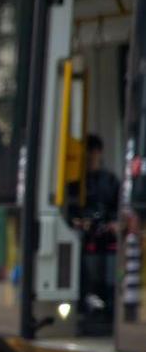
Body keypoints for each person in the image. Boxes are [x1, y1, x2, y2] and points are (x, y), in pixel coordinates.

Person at [67, 134, 120, 316]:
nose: (90, 158)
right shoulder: (75, 183)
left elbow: (117, 208)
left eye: (93, 153)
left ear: (99, 153)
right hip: (85, 237)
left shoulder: (110, 180)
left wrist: (113, 223)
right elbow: (70, 211)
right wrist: (78, 221)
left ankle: (108, 299)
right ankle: (87, 298)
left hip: (106, 237)